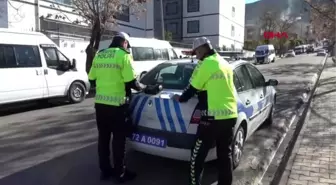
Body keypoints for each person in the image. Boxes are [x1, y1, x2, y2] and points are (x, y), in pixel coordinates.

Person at [172, 37, 238, 185]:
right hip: (230, 116)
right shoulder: (225, 63)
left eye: (196, 53)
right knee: (225, 155)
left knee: (197, 156)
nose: (196, 56)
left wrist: (180, 98)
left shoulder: (206, 64)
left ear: (201, 50)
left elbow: (192, 88)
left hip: (211, 119)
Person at [88, 32, 144, 183]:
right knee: (119, 141)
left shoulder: (100, 55)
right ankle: (120, 173)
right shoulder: (124, 55)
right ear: (124, 43)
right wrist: (145, 88)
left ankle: (105, 171)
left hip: (100, 106)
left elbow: (91, 79)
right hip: (118, 107)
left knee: (103, 139)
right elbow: (132, 82)